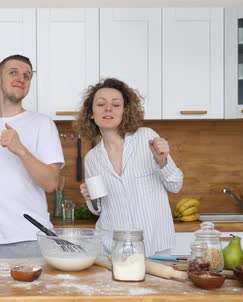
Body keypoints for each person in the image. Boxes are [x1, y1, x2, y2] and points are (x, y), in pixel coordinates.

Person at [0, 54, 64, 258]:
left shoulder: (42, 124)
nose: (21, 78)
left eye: (27, 76)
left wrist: (20, 149)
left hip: (31, 237)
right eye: (13, 72)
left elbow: (52, 183)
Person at [78, 78, 183, 257]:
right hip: (114, 248)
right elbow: (99, 208)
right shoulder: (92, 158)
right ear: (91, 114)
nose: (108, 109)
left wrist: (163, 161)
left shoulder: (147, 138)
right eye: (101, 104)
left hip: (155, 245)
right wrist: (91, 199)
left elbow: (176, 185)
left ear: (125, 111)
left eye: (116, 104)